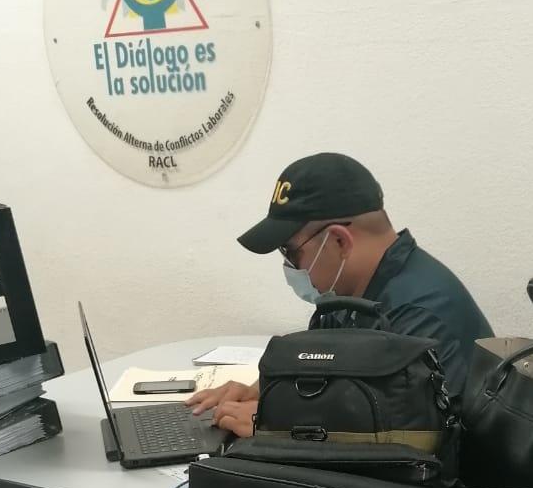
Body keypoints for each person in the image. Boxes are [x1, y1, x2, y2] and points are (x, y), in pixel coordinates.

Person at [186, 152, 494, 437]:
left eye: (290, 251)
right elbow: (321, 376)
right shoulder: (352, 295)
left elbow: (419, 446)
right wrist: (262, 391)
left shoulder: (420, 317)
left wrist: (278, 426)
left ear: (338, 242)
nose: (289, 266)